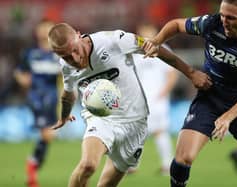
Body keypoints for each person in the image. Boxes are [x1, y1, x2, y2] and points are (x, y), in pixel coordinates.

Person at [47, 23, 211, 187]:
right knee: (88, 165)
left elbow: (154, 48)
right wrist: (64, 116)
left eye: (75, 50)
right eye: (66, 57)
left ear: (78, 34)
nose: (74, 59)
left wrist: (191, 73)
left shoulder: (113, 40)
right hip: (101, 119)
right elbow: (68, 93)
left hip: (134, 121)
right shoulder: (66, 65)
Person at [142, 0, 237, 187]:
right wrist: (157, 41)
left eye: (230, 17)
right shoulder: (211, 23)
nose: (224, 21)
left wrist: (227, 117)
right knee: (184, 158)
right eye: (222, 15)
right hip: (210, 98)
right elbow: (176, 25)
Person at [14, 19, 61, 187]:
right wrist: (23, 79)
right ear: (37, 32)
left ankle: (34, 163)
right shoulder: (31, 53)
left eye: (48, 29)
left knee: (49, 136)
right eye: (42, 29)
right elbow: (19, 72)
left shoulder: (59, 54)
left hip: (53, 99)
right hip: (36, 98)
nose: (44, 32)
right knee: (48, 134)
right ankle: (32, 167)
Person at [130, 23, 178, 175]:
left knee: (159, 131)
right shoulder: (135, 52)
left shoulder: (163, 49)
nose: (146, 37)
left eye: (149, 33)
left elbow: (172, 73)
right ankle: (131, 165)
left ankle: (167, 165)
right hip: (139, 98)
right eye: (143, 34)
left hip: (157, 99)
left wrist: (163, 93)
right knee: (135, 132)